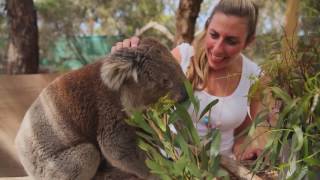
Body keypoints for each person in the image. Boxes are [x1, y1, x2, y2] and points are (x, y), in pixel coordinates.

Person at [112, 0, 263, 161]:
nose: (218, 49)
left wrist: (244, 151)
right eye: (213, 35)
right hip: (170, 163)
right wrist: (125, 59)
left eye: (231, 41)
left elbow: (242, 134)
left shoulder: (253, 76)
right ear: (206, 27)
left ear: (249, 41)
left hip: (222, 169)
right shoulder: (182, 58)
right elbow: (139, 99)